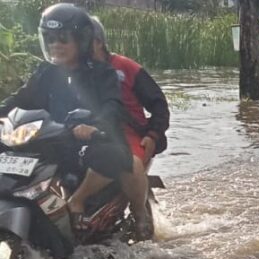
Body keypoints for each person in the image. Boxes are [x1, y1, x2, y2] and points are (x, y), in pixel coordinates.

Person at [0, 3, 137, 238]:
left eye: (63, 39)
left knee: (113, 154)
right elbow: (20, 99)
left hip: (87, 140)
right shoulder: (46, 72)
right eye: (50, 39)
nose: (55, 45)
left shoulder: (101, 73)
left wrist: (93, 125)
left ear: (81, 40)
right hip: (50, 139)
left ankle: (78, 201)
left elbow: (112, 107)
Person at [89, 16, 170, 239]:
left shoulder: (126, 67)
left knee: (129, 163)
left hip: (130, 134)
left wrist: (153, 135)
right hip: (91, 132)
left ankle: (140, 213)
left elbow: (159, 104)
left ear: (97, 41)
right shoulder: (74, 71)